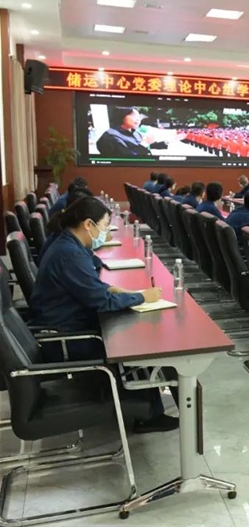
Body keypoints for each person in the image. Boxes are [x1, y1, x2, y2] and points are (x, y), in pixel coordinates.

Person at [29, 197, 177, 433]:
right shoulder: (69, 254)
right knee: (138, 337)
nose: (105, 232)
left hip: (68, 326)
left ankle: (148, 403)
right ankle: (148, 413)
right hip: (68, 338)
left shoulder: (69, 243)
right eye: (104, 225)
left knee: (133, 326)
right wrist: (141, 298)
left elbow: (93, 278)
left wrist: (120, 291)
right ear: (88, 224)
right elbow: (101, 302)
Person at [95, 107, 168, 158]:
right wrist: (145, 143)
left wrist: (162, 144)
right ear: (122, 116)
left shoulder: (134, 131)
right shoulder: (111, 136)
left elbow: (136, 146)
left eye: (139, 116)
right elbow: (129, 159)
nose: (138, 119)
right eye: (134, 116)